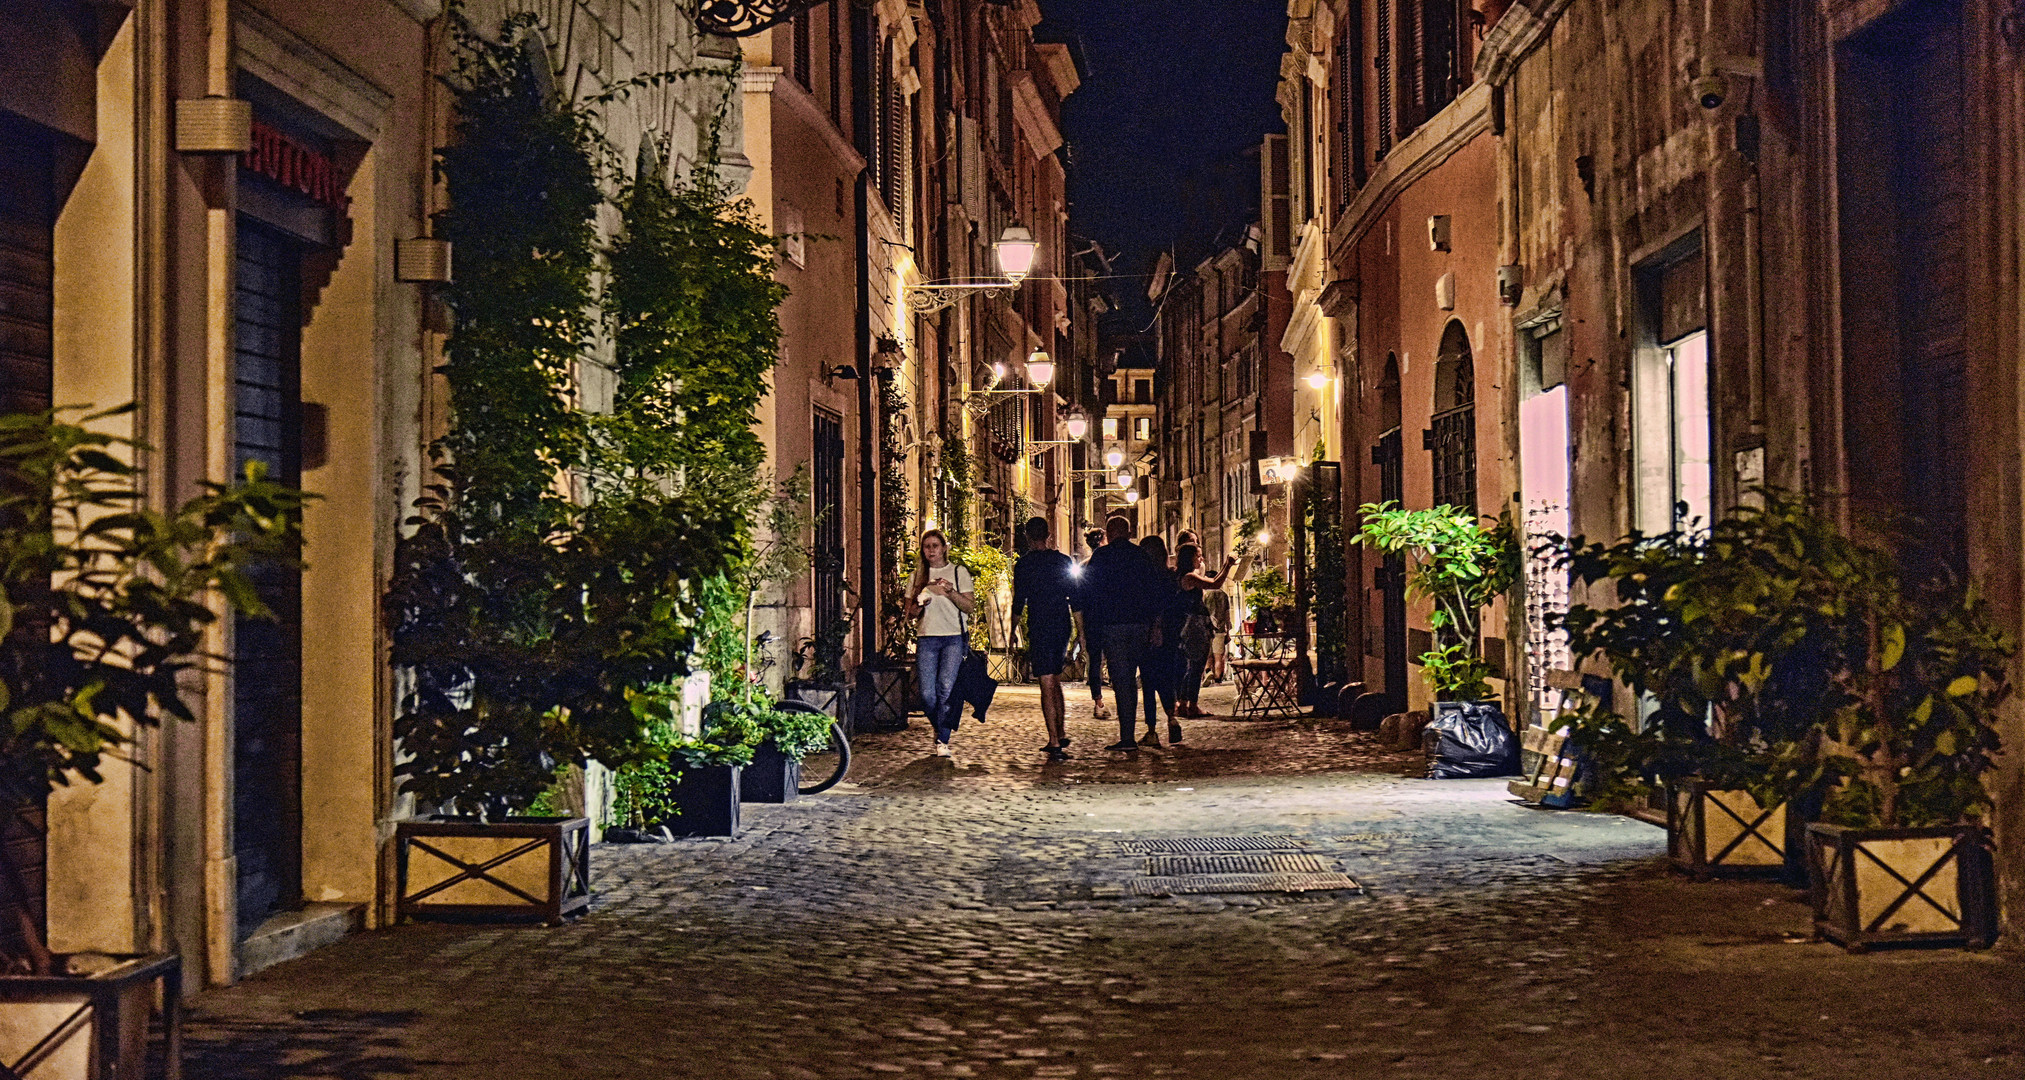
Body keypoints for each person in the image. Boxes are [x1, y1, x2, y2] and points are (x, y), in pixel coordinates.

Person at [1077, 515, 1166, 752]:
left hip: (1112, 627)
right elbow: (1156, 593)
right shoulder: (1141, 557)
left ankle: (1127, 736)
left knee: (1122, 681)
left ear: (1109, 532)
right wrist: (1156, 626)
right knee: (1135, 681)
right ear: (1128, 532)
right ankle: (1139, 731)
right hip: (1140, 626)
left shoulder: (1101, 557)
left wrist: (1089, 629)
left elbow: (1089, 594)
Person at [903, 529, 974, 758]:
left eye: (935, 545)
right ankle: (940, 726)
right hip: (927, 638)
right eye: (927, 547)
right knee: (926, 695)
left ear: (944, 548)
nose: (931, 550)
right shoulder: (918, 576)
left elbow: (969, 607)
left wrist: (950, 592)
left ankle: (942, 738)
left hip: (953, 637)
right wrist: (919, 603)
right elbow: (909, 614)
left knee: (945, 688)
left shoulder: (957, 572)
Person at [1011, 517, 1077, 761]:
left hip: (1039, 625)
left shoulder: (1024, 566)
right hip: (1061, 625)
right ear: (1049, 535)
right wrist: (1081, 632)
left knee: (1046, 681)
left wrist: (1011, 632)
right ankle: (1060, 730)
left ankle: (1054, 739)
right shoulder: (1063, 562)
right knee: (1055, 678)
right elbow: (1075, 599)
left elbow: (1019, 602)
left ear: (1028, 536)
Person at [1174, 544, 1235, 718]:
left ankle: (1184, 704)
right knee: (1196, 666)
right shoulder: (1189, 577)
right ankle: (1191, 705)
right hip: (1194, 625)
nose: (1201, 559)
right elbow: (1215, 583)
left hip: (1191, 623)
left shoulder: (1182, 576)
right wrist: (1227, 565)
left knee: (1192, 666)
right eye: (1198, 556)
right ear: (1190, 558)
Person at [1138, 535, 1185, 745]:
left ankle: (1152, 731)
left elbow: (1153, 605)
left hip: (1151, 633)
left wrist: (1154, 627)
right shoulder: (1170, 577)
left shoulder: (1147, 579)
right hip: (1171, 635)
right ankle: (1172, 719)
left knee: (1149, 682)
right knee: (1165, 679)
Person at [1079, 527, 1110, 722]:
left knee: (1095, 661)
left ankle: (1098, 701)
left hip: (1091, 618)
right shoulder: (1112, 564)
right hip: (1110, 617)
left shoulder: (1084, 567)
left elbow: (1079, 596)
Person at [1203, 585, 1233, 684]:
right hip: (1220, 629)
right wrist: (1228, 631)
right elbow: (1227, 614)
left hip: (1206, 629)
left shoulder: (1205, 594)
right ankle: (1217, 679)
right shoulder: (1224, 595)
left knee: (1207, 654)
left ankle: (1208, 671)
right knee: (1218, 657)